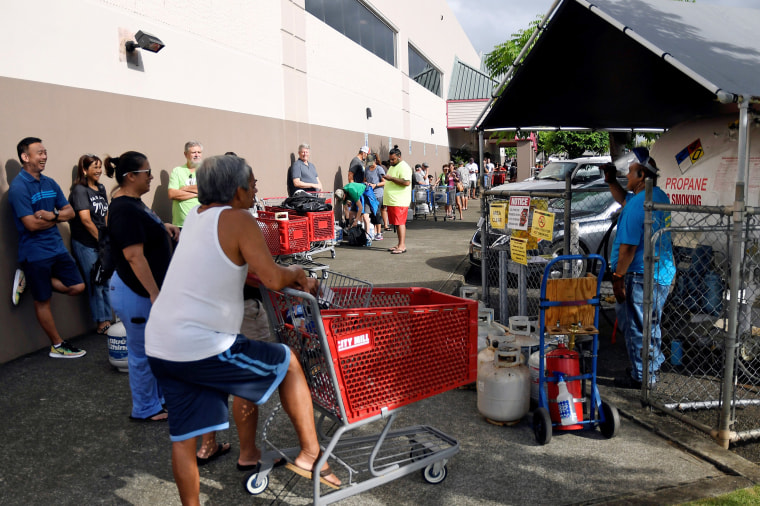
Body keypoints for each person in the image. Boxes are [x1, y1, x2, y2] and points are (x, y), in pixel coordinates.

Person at [144, 155, 341, 504]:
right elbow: (272, 277)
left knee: (183, 439)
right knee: (288, 362)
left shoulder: (195, 217)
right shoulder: (239, 219)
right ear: (236, 191)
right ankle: (311, 454)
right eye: (252, 184)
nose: (256, 189)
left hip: (161, 343)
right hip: (205, 345)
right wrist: (297, 273)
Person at [106, 151, 180, 421]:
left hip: (142, 291)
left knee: (155, 348)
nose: (150, 176)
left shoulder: (134, 203)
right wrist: (154, 293)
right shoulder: (124, 208)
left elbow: (145, 229)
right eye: (146, 172)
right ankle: (145, 408)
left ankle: (157, 400)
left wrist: (165, 227)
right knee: (141, 352)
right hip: (135, 292)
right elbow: (133, 256)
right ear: (130, 176)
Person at [8, 137, 86, 358]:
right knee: (43, 301)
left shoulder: (50, 182)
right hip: (34, 252)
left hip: (56, 248)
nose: (44, 156)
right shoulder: (18, 188)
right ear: (25, 157)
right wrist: (58, 217)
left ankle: (30, 280)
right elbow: (31, 225)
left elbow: (70, 213)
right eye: (39, 153)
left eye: (45, 152)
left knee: (78, 286)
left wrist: (52, 215)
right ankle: (58, 345)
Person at [605, 147, 675, 389]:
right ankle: (648, 367)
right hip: (659, 273)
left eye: (631, 172)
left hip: (640, 275)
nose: (627, 175)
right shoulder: (656, 196)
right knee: (649, 324)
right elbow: (624, 198)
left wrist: (617, 278)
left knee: (638, 327)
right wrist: (611, 181)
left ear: (642, 175)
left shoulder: (639, 205)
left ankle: (642, 376)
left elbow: (628, 248)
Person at [68, 154, 112, 334]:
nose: (99, 170)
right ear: (84, 170)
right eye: (95, 167)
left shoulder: (100, 188)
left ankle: (109, 320)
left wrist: (107, 237)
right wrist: (101, 240)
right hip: (86, 243)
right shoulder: (79, 190)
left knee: (107, 281)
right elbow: (85, 220)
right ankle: (101, 323)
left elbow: (106, 214)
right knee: (96, 282)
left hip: (101, 241)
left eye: (100, 166)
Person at [382, 145, 412, 254]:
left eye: (393, 159)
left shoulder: (404, 167)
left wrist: (391, 178)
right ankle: (399, 244)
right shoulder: (393, 166)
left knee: (400, 223)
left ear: (399, 157)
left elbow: (406, 182)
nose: (391, 161)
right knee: (396, 223)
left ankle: (402, 245)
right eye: (390, 159)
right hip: (393, 200)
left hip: (400, 200)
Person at [168, 141, 203, 227]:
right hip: (180, 225)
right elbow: (172, 194)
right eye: (193, 152)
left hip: (200, 223)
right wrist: (197, 194)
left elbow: (206, 190)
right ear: (185, 154)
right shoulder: (177, 171)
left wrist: (185, 188)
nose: (197, 155)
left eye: (199, 152)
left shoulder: (205, 171)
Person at [364, 157, 386, 240]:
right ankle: (373, 232)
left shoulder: (379, 169)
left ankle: (379, 233)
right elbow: (365, 179)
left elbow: (384, 182)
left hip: (378, 194)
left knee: (377, 213)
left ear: (375, 161)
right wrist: (366, 183)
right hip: (369, 194)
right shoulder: (366, 169)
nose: (370, 165)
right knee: (371, 214)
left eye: (371, 163)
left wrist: (375, 185)